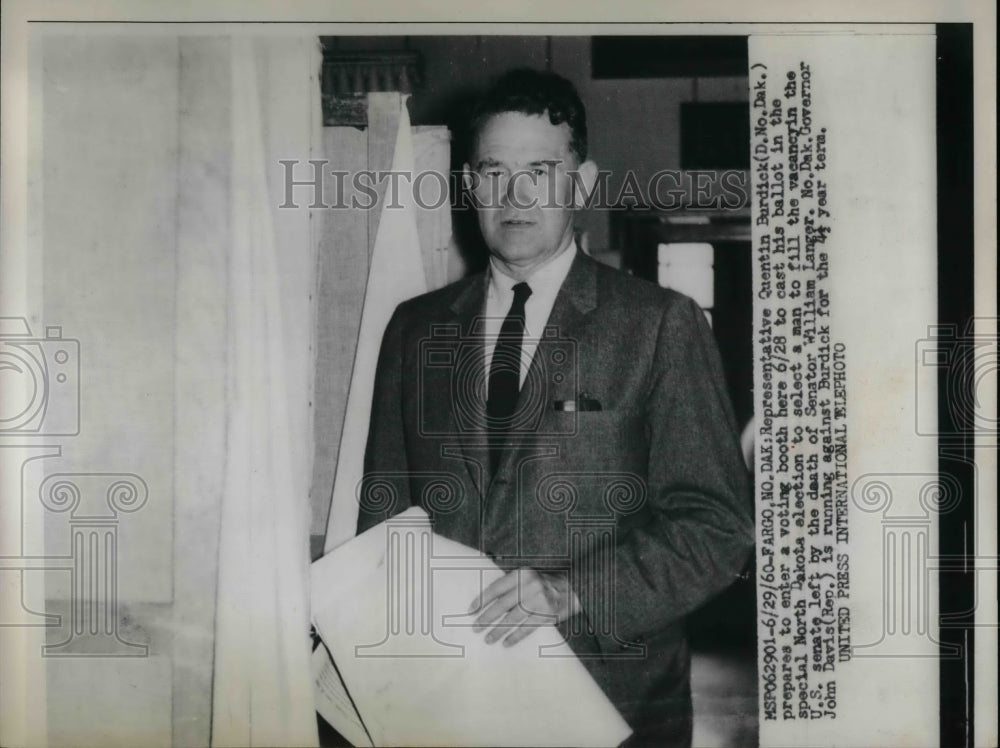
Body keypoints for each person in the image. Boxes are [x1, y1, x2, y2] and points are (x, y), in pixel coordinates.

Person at [356, 68, 753, 747]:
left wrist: (575, 591)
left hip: (611, 703)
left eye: (540, 170)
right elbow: (384, 526)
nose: (514, 196)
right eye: (493, 172)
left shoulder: (659, 324)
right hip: (449, 707)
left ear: (584, 182)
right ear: (469, 185)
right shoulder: (415, 329)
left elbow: (717, 528)